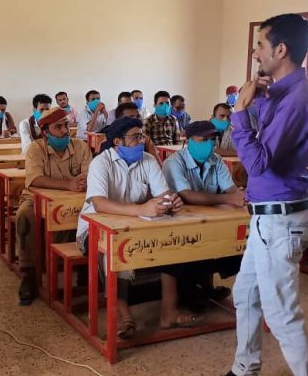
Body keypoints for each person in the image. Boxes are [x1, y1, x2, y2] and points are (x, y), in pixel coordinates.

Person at [225, 13, 308, 376]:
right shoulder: (286, 93)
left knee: (282, 314)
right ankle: (244, 368)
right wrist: (262, 98)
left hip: (281, 220)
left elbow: (258, 163)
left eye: (260, 45)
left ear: (281, 50)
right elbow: (272, 138)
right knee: (245, 294)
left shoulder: (298, 98)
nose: (255, 53)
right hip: (269, 217)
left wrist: (239, 112)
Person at [76, 117, 195, 339]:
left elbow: (163, 193)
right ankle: (123, 314)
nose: (142, 141)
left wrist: (171, 200)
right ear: (118, 141)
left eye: (142, 136)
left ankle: (169, 311)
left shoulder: (148, 160)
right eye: (136, 137)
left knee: (172, 239)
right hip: (94, 227)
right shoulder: (101, 163)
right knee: (115, 249)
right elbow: (99, 204)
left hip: (136, 224)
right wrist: (142, 208)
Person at [163, 121, 245, 308]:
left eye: (212, 140)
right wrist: (228, 199)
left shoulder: (216, 160)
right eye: (203, 140)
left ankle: (205, 287)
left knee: (232, 242)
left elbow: (231, 190)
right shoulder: (174, 163)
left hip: (210, 220)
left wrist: (237, 196)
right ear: (188, 141)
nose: (209, 144)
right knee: (190, 247)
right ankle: (190, 291)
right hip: (181, 222)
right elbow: (187, 195)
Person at [15, 107, 92, 305]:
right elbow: (35, 179)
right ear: (45, 132)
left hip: (75, 197)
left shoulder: (81, 146)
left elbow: (88, 174)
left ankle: (85, 266)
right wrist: (68, 184)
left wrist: (81, 182)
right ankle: (29, 272)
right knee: (25, 215)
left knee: (92, 213)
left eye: (66, 125)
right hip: (36, 197)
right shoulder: (36, 149)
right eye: (58, 127)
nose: (65, 131)